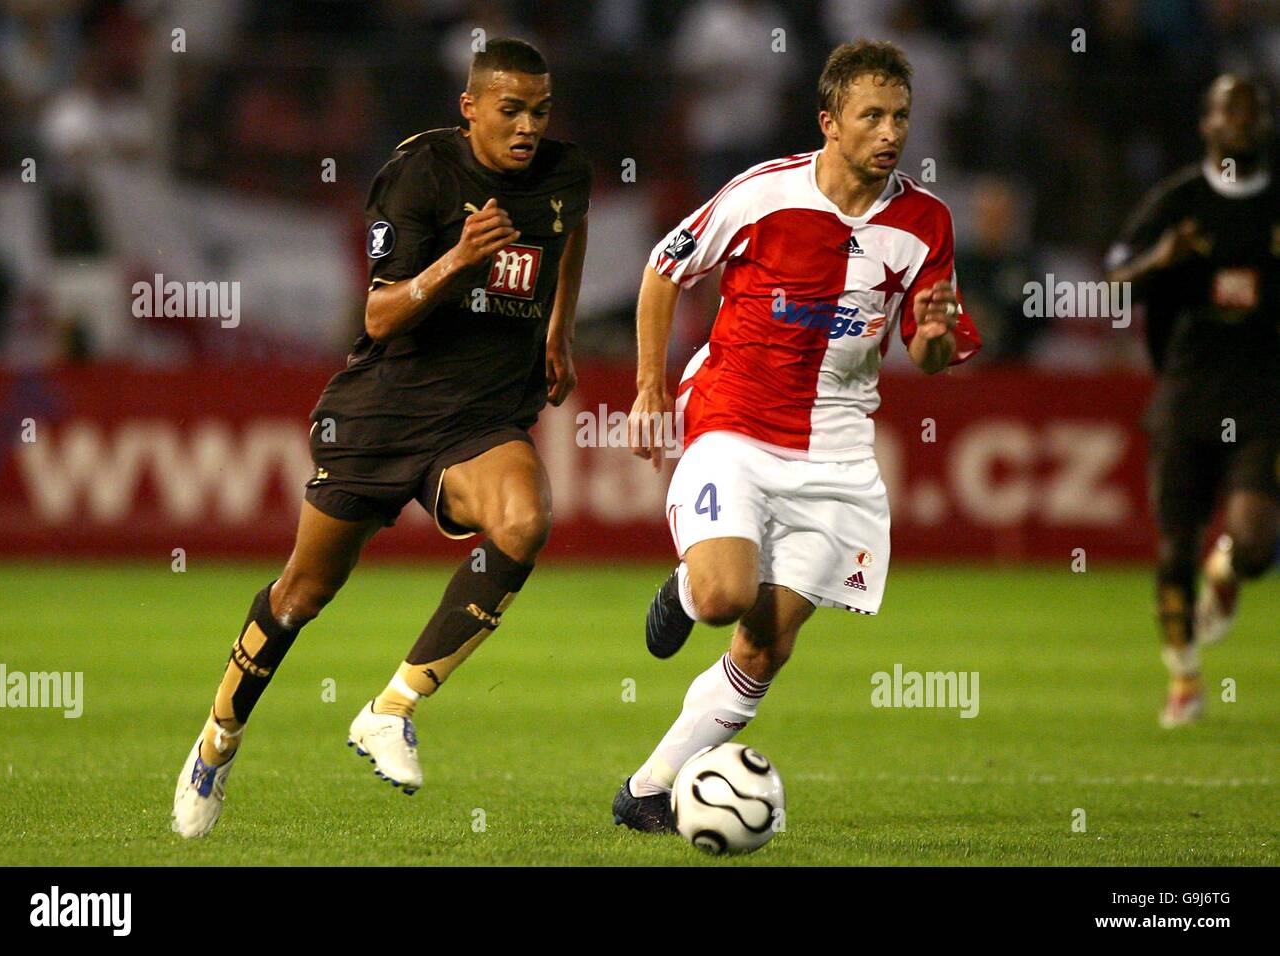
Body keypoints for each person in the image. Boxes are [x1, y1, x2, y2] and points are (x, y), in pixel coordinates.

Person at [172, 38, 591, 837]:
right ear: (470, 107)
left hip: (479, 417)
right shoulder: (421, 173)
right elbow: (378, 313)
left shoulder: (566, 173)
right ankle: (217, 741)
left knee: (526, 518)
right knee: (302, 594)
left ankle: (391, 707)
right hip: (384, 409)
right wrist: (457, 262)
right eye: (511, 110)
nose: (529, 125)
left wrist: (559, 332)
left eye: (540, 110)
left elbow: (568, 237)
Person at [612, 39, 980, 832]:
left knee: (765, 646)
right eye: (872, 116)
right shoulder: (763, 193)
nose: (891, 132)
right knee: (721, 597)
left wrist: (940, 333)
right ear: (830, 122)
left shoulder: (926, 223)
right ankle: (682, 589)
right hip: (734, 420)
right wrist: (647, 388)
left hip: (839, 454)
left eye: (901, 116)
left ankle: (647, 788)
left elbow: (932, 351)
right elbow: (663, 268)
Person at [1107, 74, 1278, 728]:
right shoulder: (1177, 201)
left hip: (1264, 393)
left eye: (1252, 110)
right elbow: (1116, 281)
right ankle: (1183, 679)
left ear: (1264, 124)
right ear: (1206, 124)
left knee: (1257, 539)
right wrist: (1160, 260)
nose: (1240, 121)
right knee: (1174, 550)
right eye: (1228, 110)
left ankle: (1230, 568)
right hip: (1186, 393)